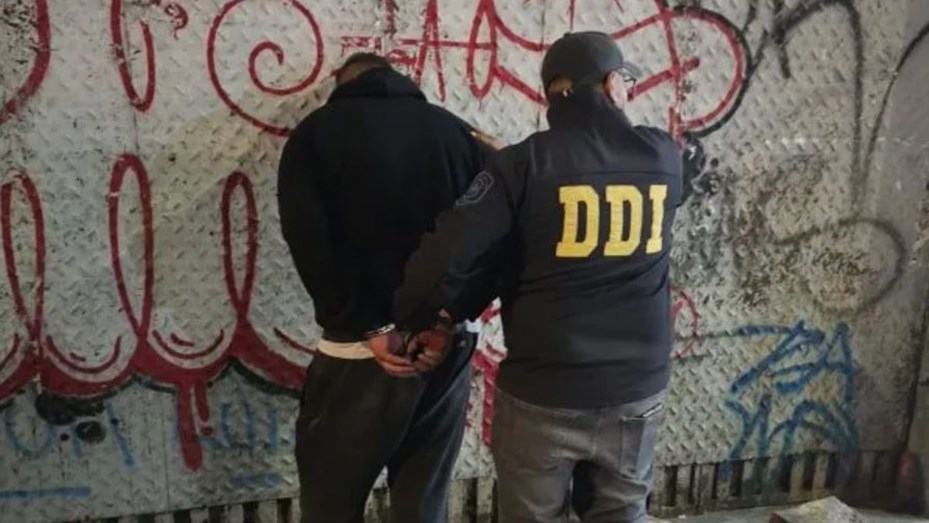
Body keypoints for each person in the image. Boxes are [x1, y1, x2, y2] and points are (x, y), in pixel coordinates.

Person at [393, 32, 682, 522]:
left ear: (552, 94)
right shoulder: (662, 155)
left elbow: (448, 251)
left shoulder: (522, 166)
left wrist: (413, 317)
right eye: (626, 82)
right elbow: (600, 192)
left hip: (544, 391)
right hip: (636, 388)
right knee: (623, 513)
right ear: (611, 84)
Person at [277, 53, 488, 523]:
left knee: (331, 497)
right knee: (422, 498)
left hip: (360, 351)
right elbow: (484, 236)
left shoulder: (317, 133)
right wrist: (445, 321)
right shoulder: (455, 132)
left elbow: (309, 239)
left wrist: (368, 324)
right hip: (445, 347)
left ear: (343, 85)